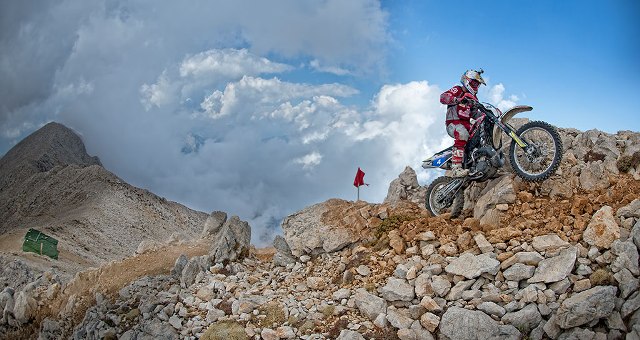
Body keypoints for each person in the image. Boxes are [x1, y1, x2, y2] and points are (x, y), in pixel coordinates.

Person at [440, 69, 486, 177]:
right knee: (462, 134)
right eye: (474, 83)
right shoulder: (458, 90)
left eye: (477, 84)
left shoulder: (473, 98)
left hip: (467, 125)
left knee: (479, 135)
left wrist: (485, 115)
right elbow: (443, 97)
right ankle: (456, 168)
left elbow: (475, 114)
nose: (476, 86)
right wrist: (457, 99)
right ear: (467, 80)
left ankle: (474, 162)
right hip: (453, 123)